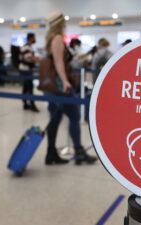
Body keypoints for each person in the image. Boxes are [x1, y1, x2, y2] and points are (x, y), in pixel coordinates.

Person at [42, 11, 97, 165]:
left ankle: (51, 152)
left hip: (51, 86)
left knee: (55, 118)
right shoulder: (58, 38)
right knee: (74, 116)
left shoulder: (50, 38)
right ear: (60, 23)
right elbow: (59, 62)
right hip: (60, 86)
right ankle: (79, 152)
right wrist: (66, 81)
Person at [19, 32, 40, 111]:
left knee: (26, 87)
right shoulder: (26, 47)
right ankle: (32, 104)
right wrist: (39, 61)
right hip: (25, 70)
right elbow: (29, 58)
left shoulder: (29, 47)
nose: (35, 39)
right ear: (31, 38)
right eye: (34, 37)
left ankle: (25, 103)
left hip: (26, 69)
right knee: (29, 87)